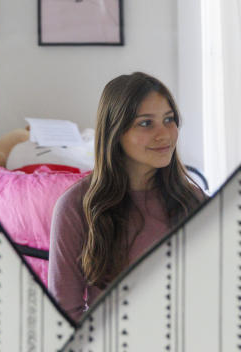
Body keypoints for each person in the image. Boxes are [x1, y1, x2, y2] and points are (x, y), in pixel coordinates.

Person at [48, 72, 205, 321]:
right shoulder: (75, 207)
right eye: (145, 123)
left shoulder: (193, 200)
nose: (164, 134)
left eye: (169, 119)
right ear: (116, 132)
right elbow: (65, 314)